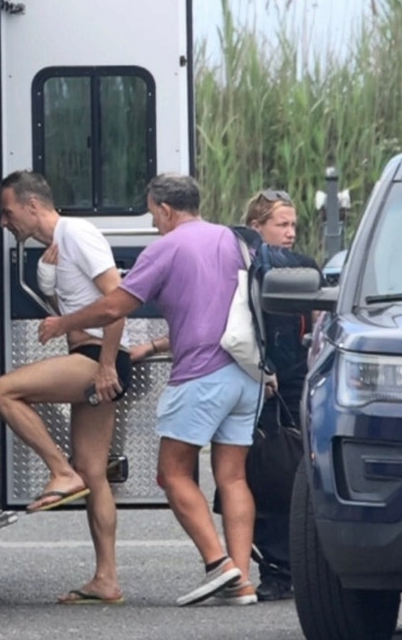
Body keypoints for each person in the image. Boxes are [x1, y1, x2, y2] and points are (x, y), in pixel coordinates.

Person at [39, 173, 262, 607]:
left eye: (153, 213)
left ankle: (220, 565)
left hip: (200, 373)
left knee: (172, 473)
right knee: (232, 477)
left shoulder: (166, 247)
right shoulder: (235, 242)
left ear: (165, 208)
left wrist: (62, 323)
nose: (154, 221)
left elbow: (114, 306)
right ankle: (243, 583)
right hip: (245, 374)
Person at [0, 170, 132, 605]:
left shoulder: (77, 234)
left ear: (33, 205)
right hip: (90, 356)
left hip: (95, 359)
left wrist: (106, 364)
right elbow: (77, 303)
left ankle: (59, 471)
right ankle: (106, 579)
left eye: (8, 212)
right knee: (95, 473)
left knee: (2, 391)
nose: (5, 223)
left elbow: (118, 301)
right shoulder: (54, 250)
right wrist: (50, 288)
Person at [240, 188, 315, 602]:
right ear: (256, 228)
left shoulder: (299, 267)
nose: (289, 232)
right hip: (256, 381)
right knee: (261, 476)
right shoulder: (243, 266)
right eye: (281, 224)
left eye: (293, 225)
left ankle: (289, 564)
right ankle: (273, 563)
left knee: (289, 473)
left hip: (293, 381)